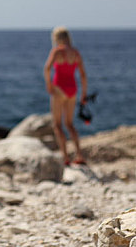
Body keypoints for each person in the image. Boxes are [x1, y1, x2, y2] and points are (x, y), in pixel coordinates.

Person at [43, 27, 87, 166]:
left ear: (57, 38)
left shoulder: (57, 51)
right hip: (72, 89)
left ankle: (66, 157)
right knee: (70, 124)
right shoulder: (76, 52)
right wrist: (84, 94)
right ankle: (79, 154)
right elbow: (83, 75)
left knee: (57, 124)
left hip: (59, 88)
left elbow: (47, 68)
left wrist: (49, 84)